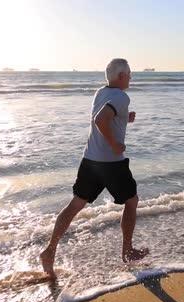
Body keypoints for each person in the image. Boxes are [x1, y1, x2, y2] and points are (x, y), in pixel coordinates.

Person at [40, 58, 149, 279]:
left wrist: (124, 119)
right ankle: (127, 251)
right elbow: (101, 120)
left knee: (75, 205)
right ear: (121, 76)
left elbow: (104, 117)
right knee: (131, 201)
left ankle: (49, 251)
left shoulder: (101, 92)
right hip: (111, 163)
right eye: (129, 73)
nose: (131, 77)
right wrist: (115, 144)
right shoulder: (121, 96)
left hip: (90, 160)